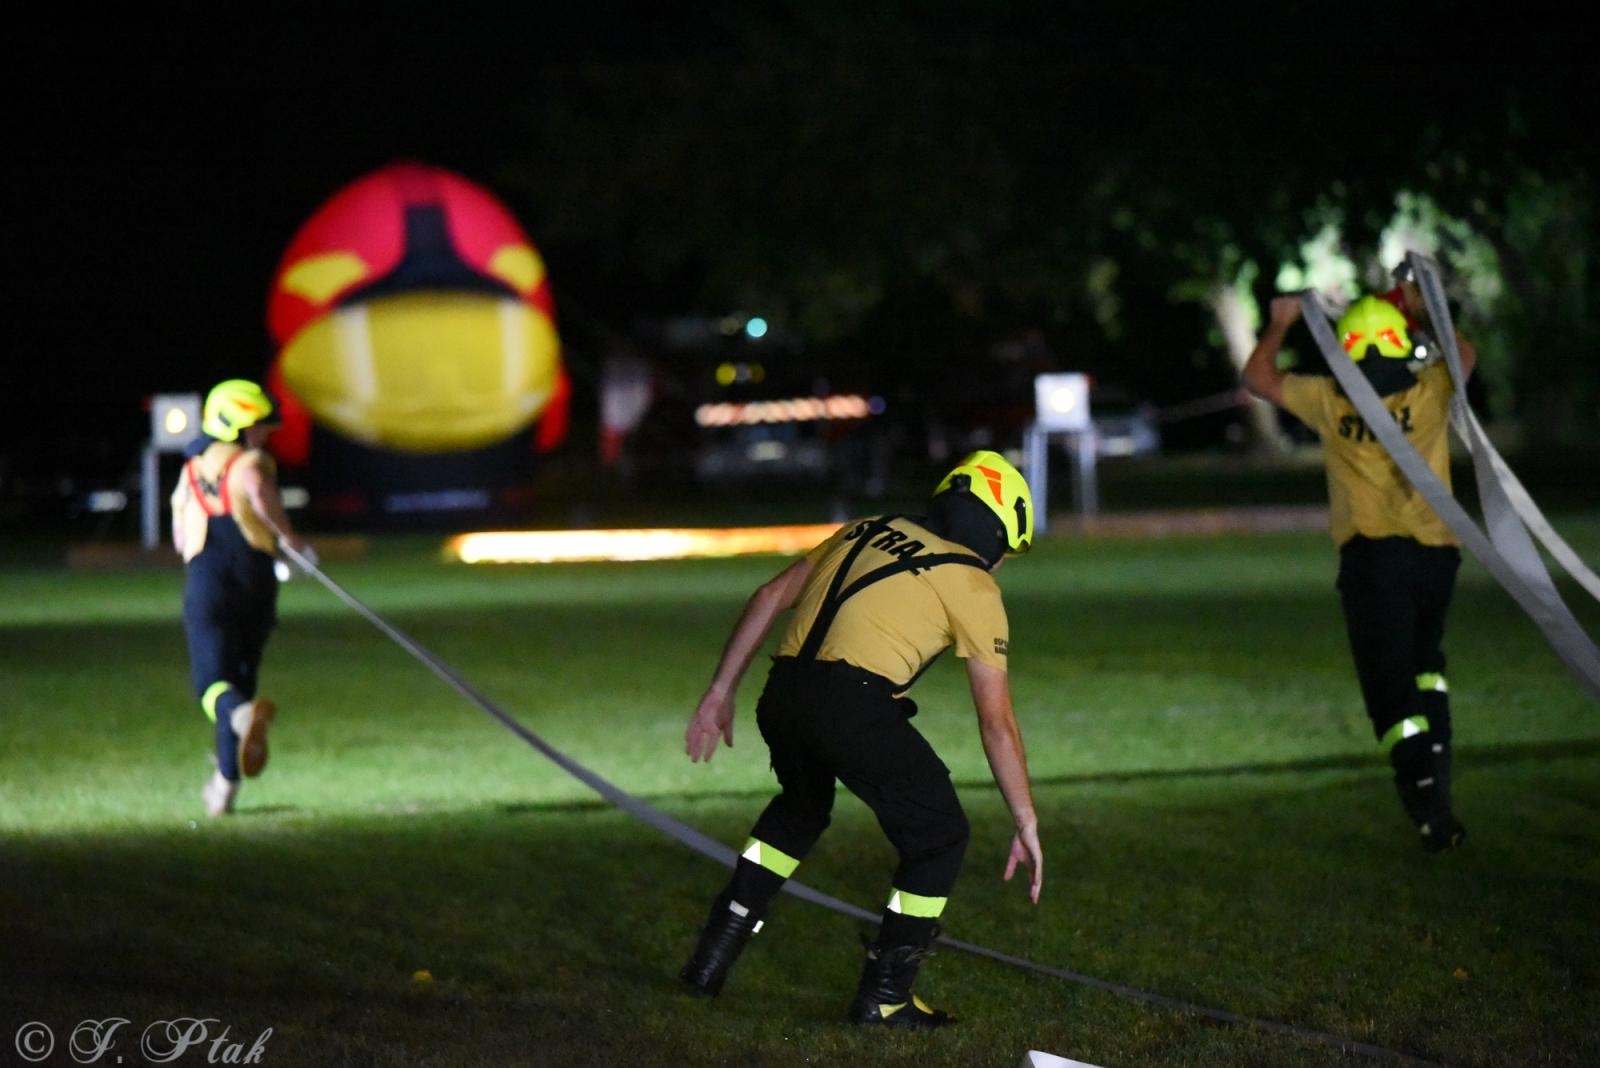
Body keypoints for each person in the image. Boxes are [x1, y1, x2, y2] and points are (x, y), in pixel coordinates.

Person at [678, 450, 1043, 1027]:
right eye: (1005, 554)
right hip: (852, 705)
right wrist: (1025, 818)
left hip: (782, 693)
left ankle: (709, 960)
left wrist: (720, 692)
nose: (999, 567)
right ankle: (886, 997)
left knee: (800, 810)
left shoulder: (866, 528)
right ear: (998, 532)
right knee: (939, 835)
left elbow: (770, 596)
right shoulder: (973, 584)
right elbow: (996, 721)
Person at [1242, 283, 1477, 852]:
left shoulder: (1330, 399)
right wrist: (1422, 312)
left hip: (1374, 560)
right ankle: (1437, 780)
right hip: (1437, 554)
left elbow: (1257, 377)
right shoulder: (1429, 389)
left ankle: (1426, 804)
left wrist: (1281, 322)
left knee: (1390, 689)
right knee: (1426, 666)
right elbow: (1465, 356)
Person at [170, 379, 308, 817]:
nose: (264, 435)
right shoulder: (252, 461)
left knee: (212, 684)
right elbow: (256, 489)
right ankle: (224, 786)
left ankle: (239, 727)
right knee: (243, 681)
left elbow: (180, 537)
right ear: (236, 426)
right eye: (258, 426)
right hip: (256, 579)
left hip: (209, 580)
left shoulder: (193, 470)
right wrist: (290, 541)